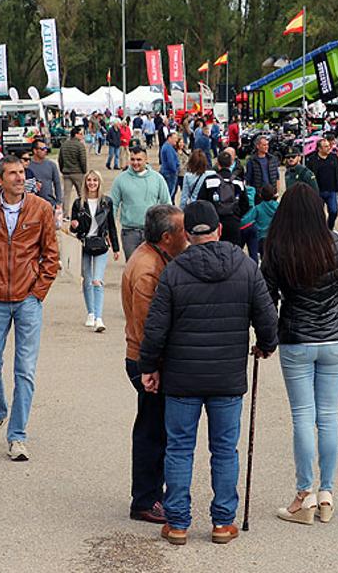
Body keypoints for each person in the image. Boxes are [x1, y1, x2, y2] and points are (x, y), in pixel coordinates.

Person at [139, 201, 278, 546]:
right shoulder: (245, 266)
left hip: (182, 378)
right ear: (218, 230)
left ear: (186, 235)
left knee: (180, 448)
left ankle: (177, 523)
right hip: (227, 377)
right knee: (225, 449)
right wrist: (266, 344)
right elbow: (267, 316)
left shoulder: (173, 271)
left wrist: (148, 367)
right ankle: (221, 522)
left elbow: (155, 328)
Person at [261, 184, 338, 524]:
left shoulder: (274, 247)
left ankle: (305, 494)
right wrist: (333, 319)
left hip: (296, 336)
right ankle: (327, 491)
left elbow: (267, 300)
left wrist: (265, 338)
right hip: (334, 338)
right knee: (328, 415)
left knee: (303, 416)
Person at [0, 156, 60, 462]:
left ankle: (17, 436)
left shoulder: (41, 209)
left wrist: (38, 292)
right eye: (13, 174)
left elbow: (51, 255)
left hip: (28, 300)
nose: (20, 178)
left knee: (25, 371)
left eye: (22, 173)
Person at [121, 204, 189, 525]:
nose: (187, 235)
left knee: (155, 428)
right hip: (146, 361)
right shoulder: (149, 269)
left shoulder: (157, 257)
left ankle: (152, 494)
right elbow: (150, 327)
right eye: (182, 230)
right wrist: (156, 368)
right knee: (151, 431)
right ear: (167, 237)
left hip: (148, 359)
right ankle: (146, 499)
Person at [69, 170, 121, 332]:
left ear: (99, 183)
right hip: (84, 245)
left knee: (97, 280)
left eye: (95, 180)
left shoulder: (106, 202)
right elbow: (73, 229)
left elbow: (111, 225)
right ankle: (90, 312)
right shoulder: (79, 203)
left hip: (101, 244)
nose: (92, 183)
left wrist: (116, 247)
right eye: (89, 180)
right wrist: (74, 226)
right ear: (85, 183)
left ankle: (99, 318)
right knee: (87, 279)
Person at [110, 148, 172, 259]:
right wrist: (109, 229)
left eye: (139, 160)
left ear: (146, 160)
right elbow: (113, 205)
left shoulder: (157, 179)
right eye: (132, 159)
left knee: (152, 267)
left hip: (151, 232)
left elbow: (166, 204)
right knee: (133, 268)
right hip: (129, 233)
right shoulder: (120, 180)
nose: (135, 163)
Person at [198, 150, 249, 247]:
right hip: (233, 222)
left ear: (217, 163)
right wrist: (237, 215)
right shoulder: (238, 182)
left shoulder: (209, 181)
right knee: (233, 253)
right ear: (231, 163)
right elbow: (245, 204)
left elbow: (201, 202)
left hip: (215, 223)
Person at [307, 137, 338, 230]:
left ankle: (329, 229)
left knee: (334, 211)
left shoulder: (334, 158)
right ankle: (319, 231)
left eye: (329, 146)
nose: (328, 148)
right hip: (317, 191)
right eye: (326, 146)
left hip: (332, 190)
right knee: (317, 214)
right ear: (319, 148)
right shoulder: (312, 160)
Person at [59, 126, 90, 215]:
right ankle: (83, 211)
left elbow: (60, 159)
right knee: (81, 193)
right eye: (81, 134)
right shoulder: (80, 145)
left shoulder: (64, 145)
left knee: (66, 195)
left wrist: (62, 169)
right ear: (76, 134)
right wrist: (84, 171)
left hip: (66, 173)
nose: (82, 136)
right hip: (78, 173)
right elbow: (83, 160)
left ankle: (65, 214)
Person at [27, 138, 62, 211]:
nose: (45, 150)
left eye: (46, 148)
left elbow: (57, 183)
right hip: (32, 205)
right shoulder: (28, 165)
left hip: (49, 203)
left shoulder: (51, 165)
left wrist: (58, 202)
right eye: (42, 149)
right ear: (35, 151)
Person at [252, 184, 279, 260]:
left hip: (262, 238)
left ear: (260, 195)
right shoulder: (278, 206)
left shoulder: (258, 208)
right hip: (275, 237)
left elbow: (246, 220)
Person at [159, 131, 181, 203]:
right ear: (169, 138)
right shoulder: (168, 148)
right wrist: (175, 170)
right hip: (170, 173)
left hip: (167, 172)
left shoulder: (166, 146)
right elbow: (171, 162)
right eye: (174, 138)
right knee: (169, 193)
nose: (176, 140)